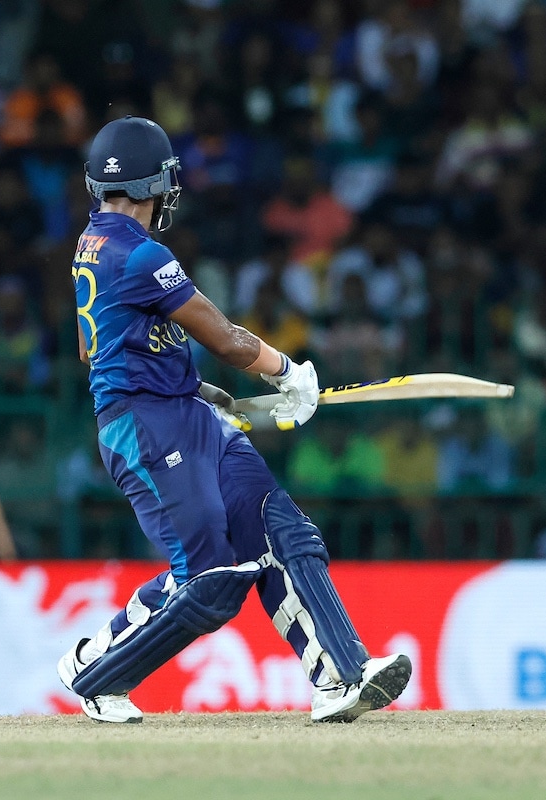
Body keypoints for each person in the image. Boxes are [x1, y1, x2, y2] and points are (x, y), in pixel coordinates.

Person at [58, 116, 411, 724]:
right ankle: (95, 667)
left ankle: (340, 678)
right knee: (212, 580)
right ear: (156, 183)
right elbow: (222, 335)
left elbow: (106, 345)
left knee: (280, 527)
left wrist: (197, 391)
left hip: (178, 410)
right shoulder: (142, 253)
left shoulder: (95, 243)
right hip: (146, 427)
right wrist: (287, 372)